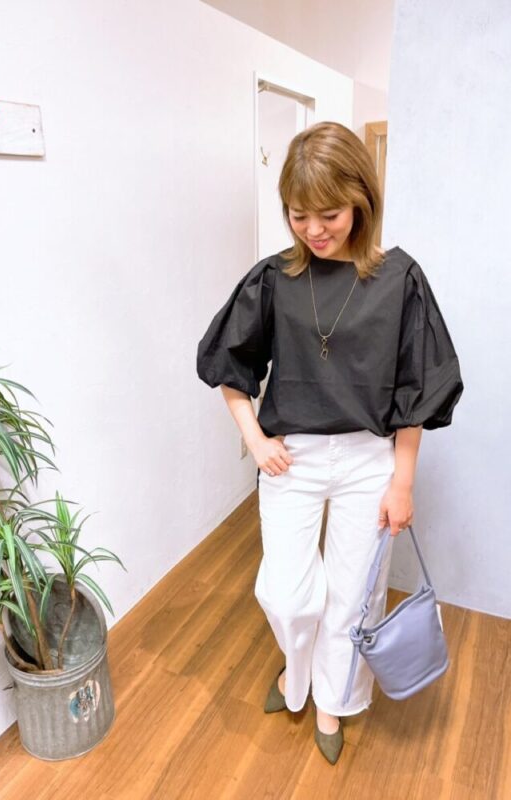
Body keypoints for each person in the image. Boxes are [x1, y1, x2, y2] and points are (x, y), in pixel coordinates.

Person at [195, 121, 463, 765]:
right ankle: (297, 673)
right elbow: (227, 366)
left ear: (361, 201)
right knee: (286, 594)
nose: (314, 230)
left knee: (354, 598)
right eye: (299, 215)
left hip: (370, 462)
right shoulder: (274, 279)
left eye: (330, 214)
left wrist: (402, 482)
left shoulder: (399, 279)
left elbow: (417, 389)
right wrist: (255, 439)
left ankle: (332, 701)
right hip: (292, 459)